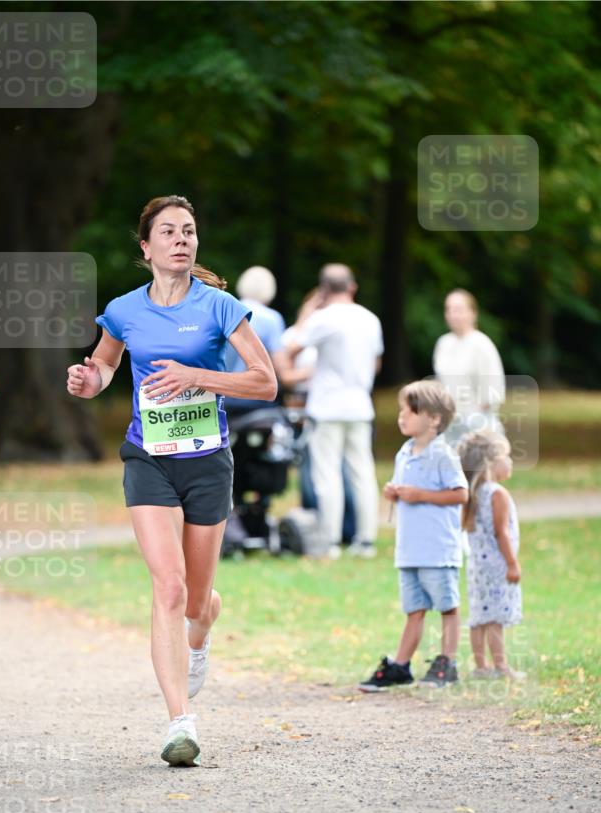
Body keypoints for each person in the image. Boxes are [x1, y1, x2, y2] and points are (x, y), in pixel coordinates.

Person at [66, 195, 277, 767]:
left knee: (198, 600)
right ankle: (179, 722)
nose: (182, 239)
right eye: (169, 231)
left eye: (189, 230)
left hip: (208, 462)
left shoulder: (220, 307)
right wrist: (89, 379)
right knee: (170, 587)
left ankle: (201, 635)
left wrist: (196, 375)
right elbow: (106, 365)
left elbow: (265, 383)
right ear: (147, 247)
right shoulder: (125, 309)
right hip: (148, 458)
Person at [359, 380, 468, 692]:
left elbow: (460, 494)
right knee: (414, 609)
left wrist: (419, 494)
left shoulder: (443, 455)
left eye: (410, 411)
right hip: (410, 549)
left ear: (433, 418)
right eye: (401, 410)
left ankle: (448, 662)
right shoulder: (404, 452)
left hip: (438, 549)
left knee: (447, 606)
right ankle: (401, 665)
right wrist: (393, 493)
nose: (402, 416)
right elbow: (402, 488)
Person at [288, 263, 383, 559]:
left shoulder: (323, 318)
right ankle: (365, 539)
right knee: (362, 472)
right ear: (352, 287)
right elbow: (376, 362)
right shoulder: (370, 319)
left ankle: (330, 539)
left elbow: (292, 348)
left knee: (327, 474)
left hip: (327, 405)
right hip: (360, 404)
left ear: (324, 290)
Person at [457, 430, 525, 681]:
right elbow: (502, 533)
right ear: (490, 463)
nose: (510, 462)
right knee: (495, 616)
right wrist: (512, 563)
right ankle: (501, 666)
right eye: (506, 456)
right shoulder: (497, 493)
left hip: (477, 566)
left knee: (479, 616)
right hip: (496, 566)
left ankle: (480, 666)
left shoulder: (472, 494)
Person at [433, 289, 505, 444]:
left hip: (478, 423)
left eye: (458, 309)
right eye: (449, 309)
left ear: (473, 313)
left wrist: (473, 418)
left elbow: (493, 389)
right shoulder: (443, 344)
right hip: (449, 425)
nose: (453, 314)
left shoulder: (482, 344)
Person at [224, 266, 287, 414]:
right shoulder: (272, 319)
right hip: (254, 399)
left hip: (223, 395)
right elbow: (280, 367)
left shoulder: (225, 311)